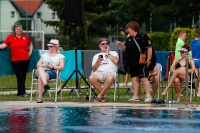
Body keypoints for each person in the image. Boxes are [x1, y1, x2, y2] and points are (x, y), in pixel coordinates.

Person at [116, 21, 153, 102]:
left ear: (133, 29)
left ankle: (148, 95)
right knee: (134, 79)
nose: (127, 30)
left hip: (141, 61)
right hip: (131, 62)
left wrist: (149, 58)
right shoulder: (129, 38)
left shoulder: (143, 36)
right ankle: (136, 96)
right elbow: (126, 49)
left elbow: (149, 48)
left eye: (128, 28)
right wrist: (121, 46)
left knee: (143, 78)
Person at [0, 23, 33, 97]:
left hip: (25, 59)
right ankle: (23, 92)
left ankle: (20, 92)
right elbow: (3, 46)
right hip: (15, 60)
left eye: (20, 29)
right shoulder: (10, 37)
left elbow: (30, 44)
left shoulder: (25, 37)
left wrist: (30, 52)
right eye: (17, 29)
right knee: (20, 76)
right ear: (14, 30)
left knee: (23, 76)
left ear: (21, 30)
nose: (18, 30)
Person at [89, 37, 119, 102]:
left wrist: (108, 53)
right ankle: (104, 95)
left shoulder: (114, 53)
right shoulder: (96, 55)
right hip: (99, 72)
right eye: (103, 44)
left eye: (107, 43)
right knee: (91, 77)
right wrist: (98, 61)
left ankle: (100, 95)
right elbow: (94, 69)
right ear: (99, 46)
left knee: (110, 77)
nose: (105, 45)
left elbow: (116, 61)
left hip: (110, 72)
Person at [191, 29, 200, 97]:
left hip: (193, 60)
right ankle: (199, 92)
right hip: (199, 60)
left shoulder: (192, 42)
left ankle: (194, 92)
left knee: (195, 77)